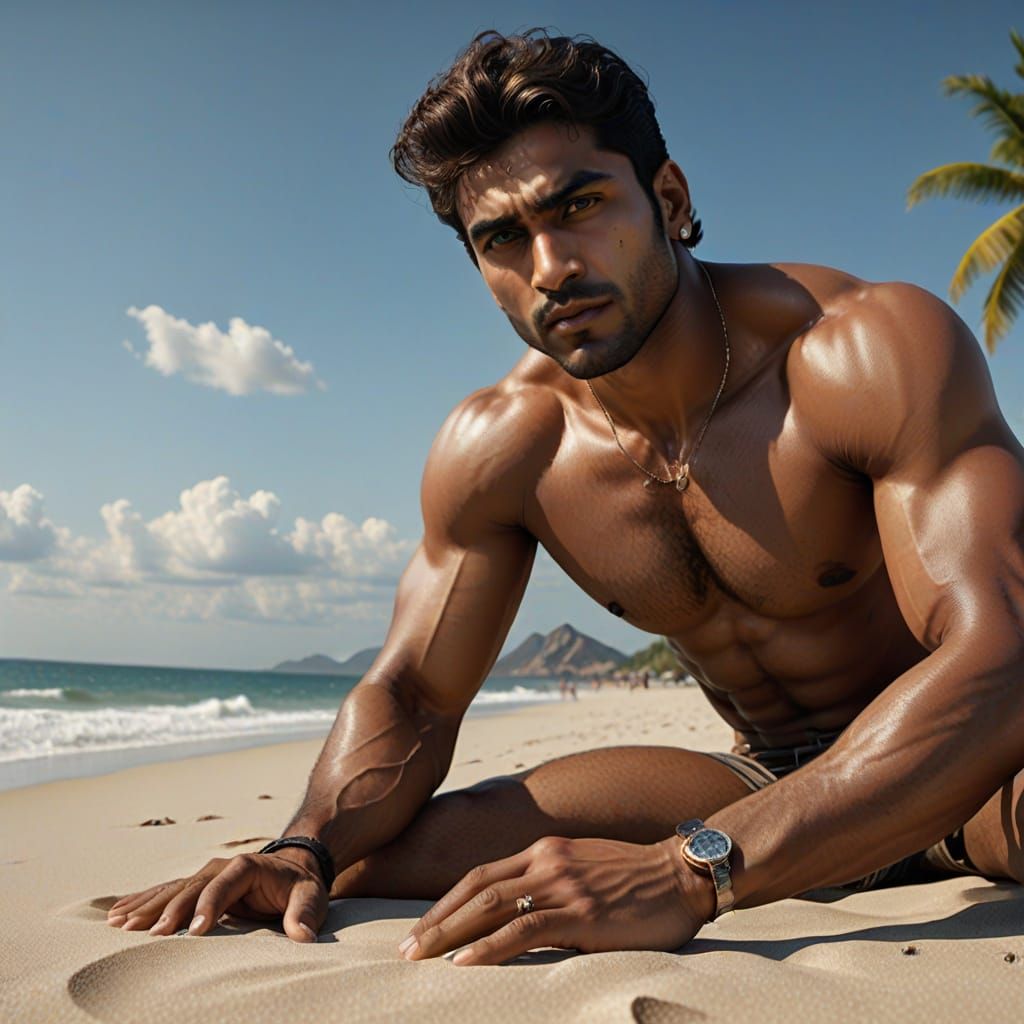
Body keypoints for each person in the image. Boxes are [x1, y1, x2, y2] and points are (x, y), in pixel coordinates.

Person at [107, 30, 1024, 967]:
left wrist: (687, 872)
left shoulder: (858, 351)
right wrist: (302, 843)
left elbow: (1002, 651)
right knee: (373, 858)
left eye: (579, 205)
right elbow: (416, 695)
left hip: (978, 768)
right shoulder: (508, 446)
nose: (550, 267)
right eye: (502, 238)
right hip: (753, 775)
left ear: (668, 199)